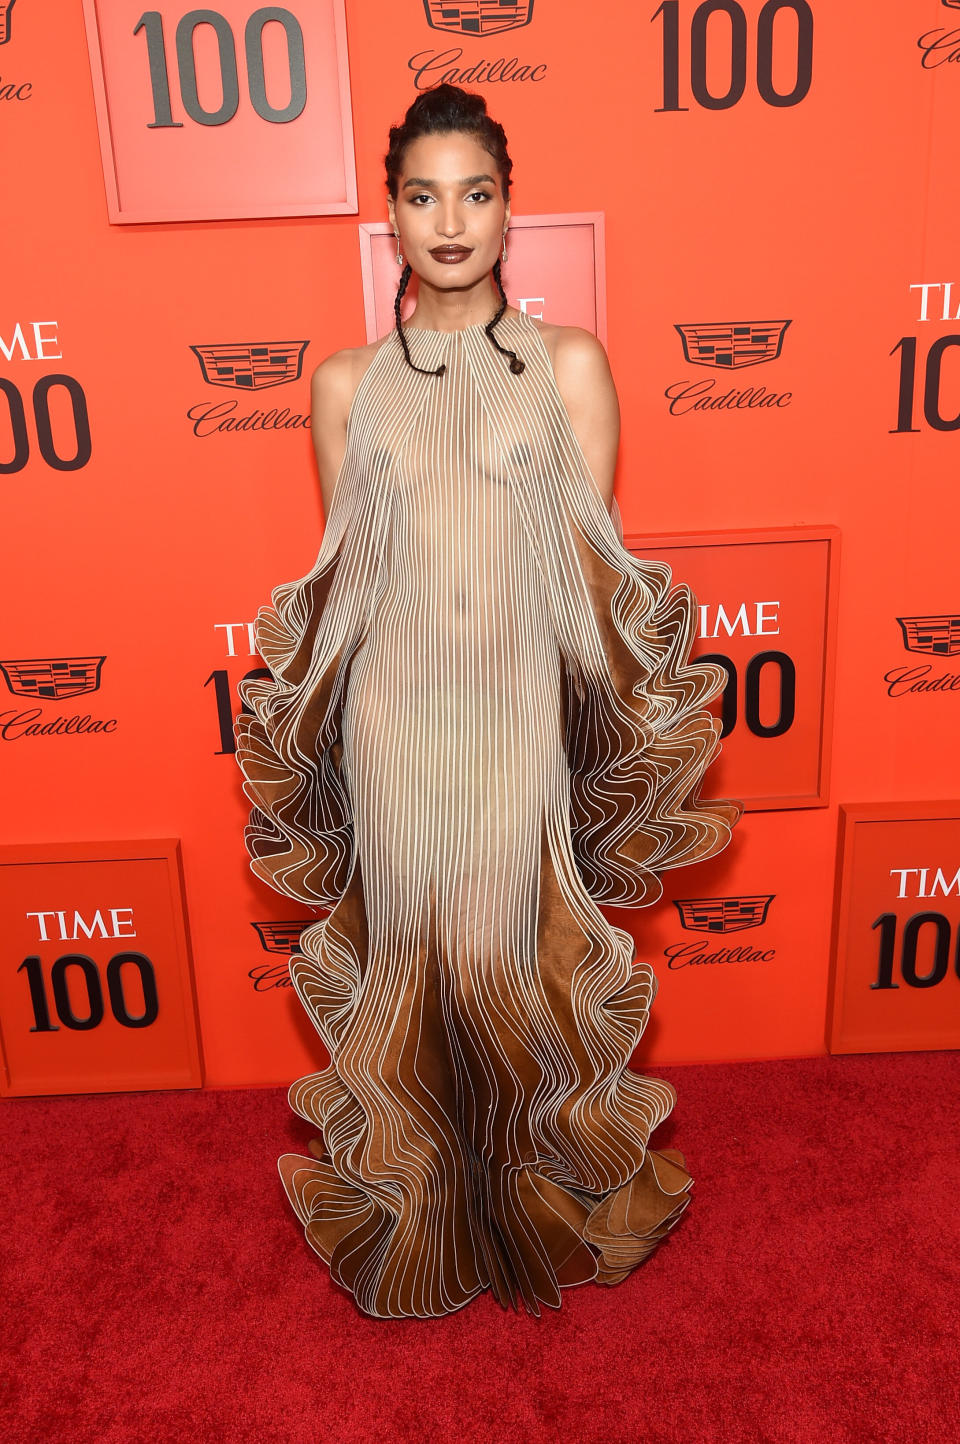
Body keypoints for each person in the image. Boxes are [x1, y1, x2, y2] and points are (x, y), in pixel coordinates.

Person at [234, 83, 743, 1320]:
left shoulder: (570, 364)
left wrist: (599, 723)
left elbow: (595, 561)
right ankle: (422, 1199)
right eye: (421, 196)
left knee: (503, 955)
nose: (449, 220)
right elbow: (345, 570)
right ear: (391, 219)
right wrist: (318, 720)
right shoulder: (346, 383)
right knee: (414, 957)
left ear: (510, 212)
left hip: (515, 698)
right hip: (396, 712)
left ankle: (541, 1197)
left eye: (475, 193)